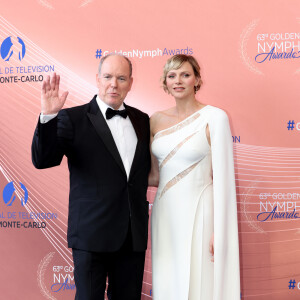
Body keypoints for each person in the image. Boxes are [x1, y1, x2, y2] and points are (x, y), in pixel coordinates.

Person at [32, 54, 151, 300]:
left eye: (121, 78)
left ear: (131, 82)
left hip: (132, 235)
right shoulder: (72, 118)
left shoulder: (142, 120)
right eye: (107, 77)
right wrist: (48, 117)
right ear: (97, 79)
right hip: (91, 233)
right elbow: (44, 160)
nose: (113, 84)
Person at [149, 54, 240, 300]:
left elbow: (224, 179)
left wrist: (220, 230)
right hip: (164, 213)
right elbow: (152, 176)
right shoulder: (155, 121)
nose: (178, 81)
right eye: (172, 76)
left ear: (197, 80)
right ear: (165, 82)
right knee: (167, 280)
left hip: (201, 211)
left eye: (185, 75)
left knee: (200, 282)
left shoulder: (215, 117)